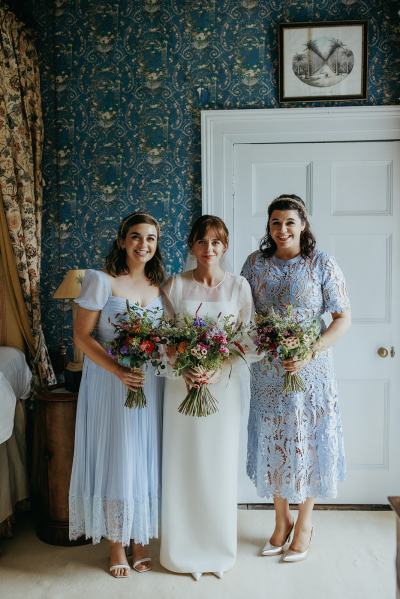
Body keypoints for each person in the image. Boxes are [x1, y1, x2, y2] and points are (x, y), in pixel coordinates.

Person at [241, 194, 351, 563]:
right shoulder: (254, 264)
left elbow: (342, 318)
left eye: (289, 222)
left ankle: (305, 523)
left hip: (312, 369)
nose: (282, 229)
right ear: (268, 228)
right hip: (269, 370)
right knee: (274, 439)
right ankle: (280, 520)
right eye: (275, 223)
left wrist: (310, 350)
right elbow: (244, 315)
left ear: (303, 224)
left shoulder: (321, 263)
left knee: (309, 440)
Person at [69, 212, 165, 577]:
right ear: (123, 240)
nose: (144, 244)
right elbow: (81, 337)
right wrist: (119, 370)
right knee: (116, 455)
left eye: (151, 239)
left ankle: (139, 538)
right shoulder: (100, 281)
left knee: (142, 456)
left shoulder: (161, 288)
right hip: (110, 383)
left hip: (147, 383)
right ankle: (114, 543)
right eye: (137, 237)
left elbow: (163, 340)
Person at [160, 215, 255, 581]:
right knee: (184, 462)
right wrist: (185, 367)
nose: (209, 249)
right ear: (192, 246)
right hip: (181, 385)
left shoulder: (239, 286)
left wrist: (216, 368)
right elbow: (166, 339)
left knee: (218, 462)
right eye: (202, 242)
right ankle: (181, 549)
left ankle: (217, 547)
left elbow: (248, 340)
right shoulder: (175, 285)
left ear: (225, 246)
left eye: (216, 243)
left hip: (223, 386)